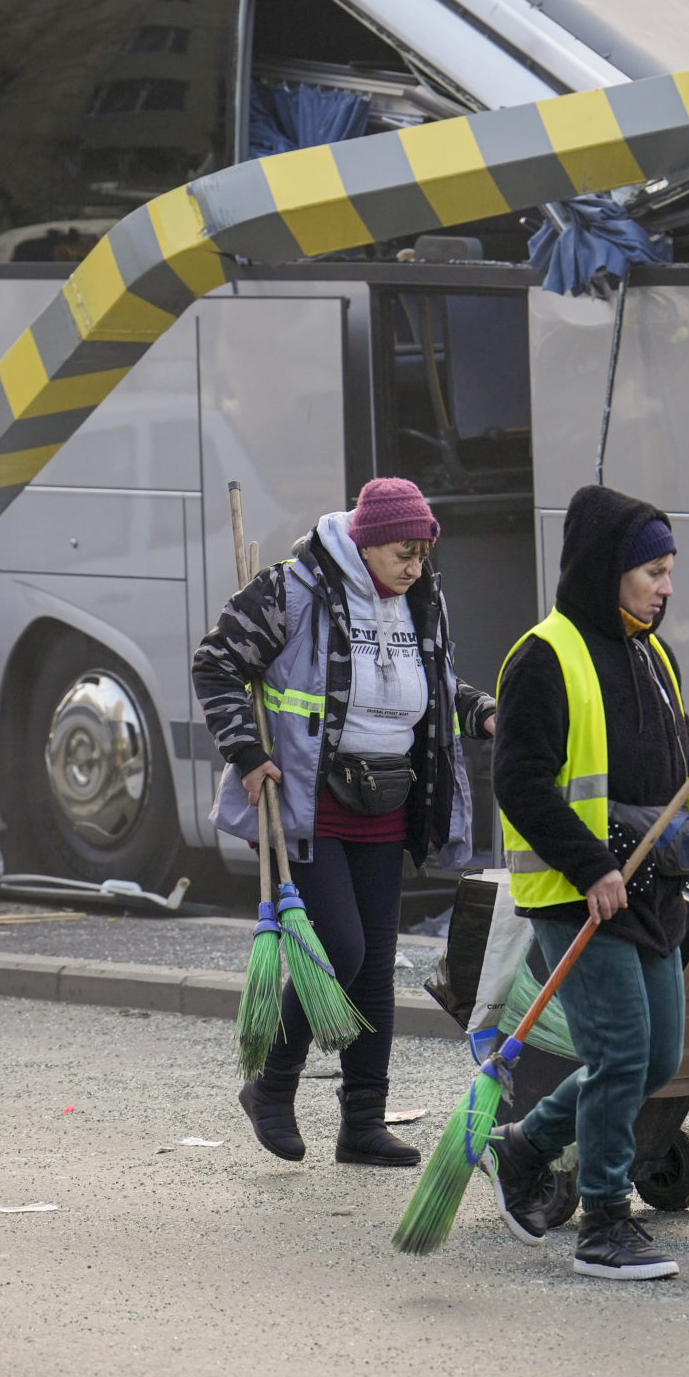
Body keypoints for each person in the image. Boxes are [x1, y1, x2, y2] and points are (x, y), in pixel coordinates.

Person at [485, 485, 689, 1281]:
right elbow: (521, 781)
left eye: (670, 570)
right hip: (579, 892)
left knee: (657, 1055)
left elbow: (666, 743)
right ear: (608, 570)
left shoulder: (651, 650)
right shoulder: (544, 655)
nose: (666, 586)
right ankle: (604, 1220)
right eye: (652, 571)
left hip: (652, 887)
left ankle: (526, 1144)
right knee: (620, 1054)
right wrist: (592, 865)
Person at [193, 478, 494, 1168]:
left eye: (422, 553)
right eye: (402, 552)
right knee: (341, 949)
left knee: (373, 971)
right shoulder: (292, 591)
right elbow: (216, 665)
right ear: (364, 543)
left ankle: (363, 1122)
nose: (415, 566)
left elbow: (437, 682)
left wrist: (480, 711)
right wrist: (247, 751)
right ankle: (271, 1082)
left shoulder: (418, 598)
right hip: (309, 801)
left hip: (386, 801)